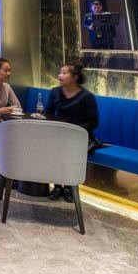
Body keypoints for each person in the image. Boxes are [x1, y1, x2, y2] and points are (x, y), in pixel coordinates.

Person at [42, 62, 99, 202]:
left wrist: (73, 130)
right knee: (50, 146)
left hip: (80, 136)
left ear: (75, 77)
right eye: (60, 72)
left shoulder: (87, 97)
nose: (60, 75)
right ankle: (57, 186)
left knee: (68, 149)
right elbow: (49, 114)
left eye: (64, 73)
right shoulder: (55, 92)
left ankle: (69, 187)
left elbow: (93, 123)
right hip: (60, 134)